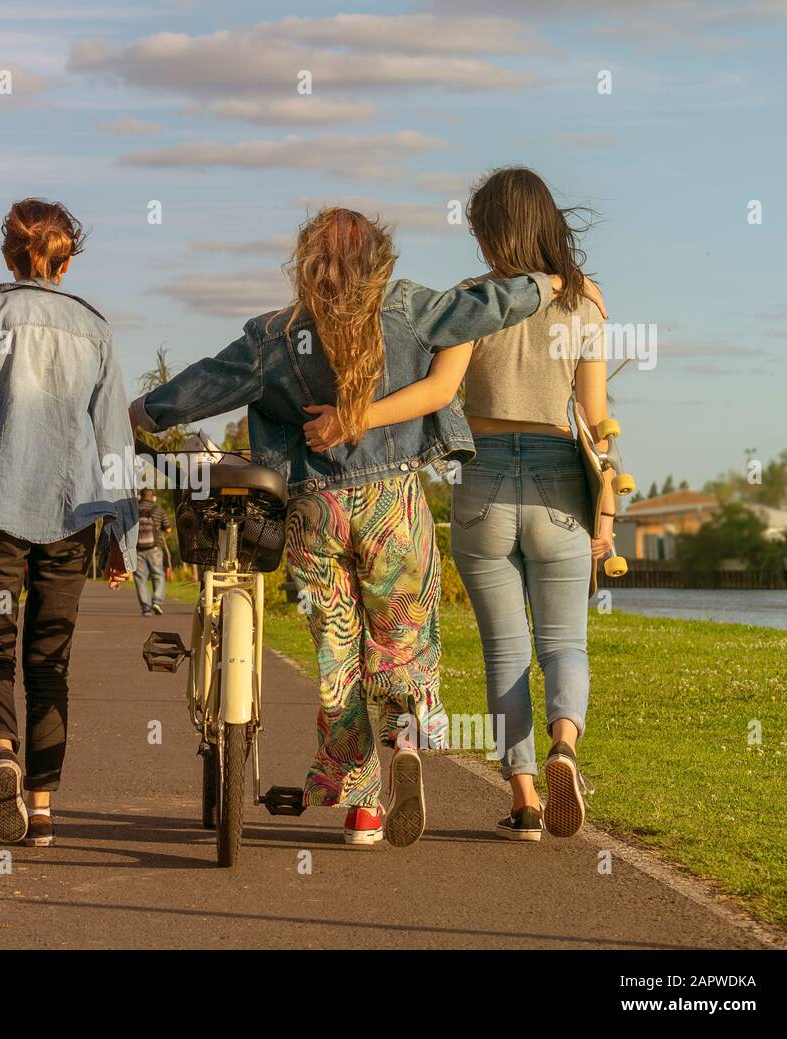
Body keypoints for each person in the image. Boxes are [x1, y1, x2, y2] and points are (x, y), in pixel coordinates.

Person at [131, 207, 604, 848]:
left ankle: (362, 809)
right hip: (394, 507)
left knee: (338, 655)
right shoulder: (410, 309)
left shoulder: (273, 336)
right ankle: (406, 736)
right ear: (380, 262)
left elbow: (202, 386)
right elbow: (487, 307)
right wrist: (544, 284)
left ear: (306, 264)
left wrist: (141, 410)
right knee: (402, 637)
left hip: (313, 511)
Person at [305, 169, 609, 841]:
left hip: (484, 483)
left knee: (506, 647)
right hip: (561, 481)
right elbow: (596, 420)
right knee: (564, 642)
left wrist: (355, 417)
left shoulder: (473, 300)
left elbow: (440, 393)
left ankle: (525, 795)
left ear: (493, 232)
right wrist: (607, 518)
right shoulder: (586, 300)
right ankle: (564, 745)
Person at [0, 198, 137, 848]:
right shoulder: (95, 327)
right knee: (49, 659)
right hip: (73, 514)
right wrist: (120, 529)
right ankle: (39, 807)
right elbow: (112, 439)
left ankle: (1, 753)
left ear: (9, 255)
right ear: (66, 261)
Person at [134, 488, 173, 616]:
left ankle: (146, 608)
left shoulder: (134, 510)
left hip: (138, 549)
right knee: (158, 575)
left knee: (140, 578)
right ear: (154, 497)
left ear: (140, 497)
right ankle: (157, 602)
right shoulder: (159, 510)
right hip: (155, 548)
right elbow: (168, 529)